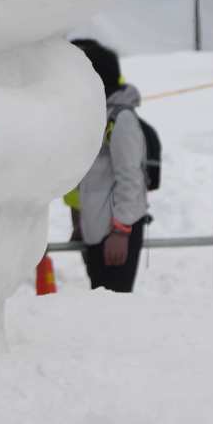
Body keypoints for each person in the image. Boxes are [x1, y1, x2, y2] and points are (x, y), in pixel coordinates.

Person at [69, 39, 148, 293]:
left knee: (114, 309)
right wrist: (87, 222)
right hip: (101, 232)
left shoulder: (120, 119)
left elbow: (130, 179)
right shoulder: (97, 116)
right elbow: (98, 179)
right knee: (101, 305)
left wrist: (121, 232)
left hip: (115, 236)